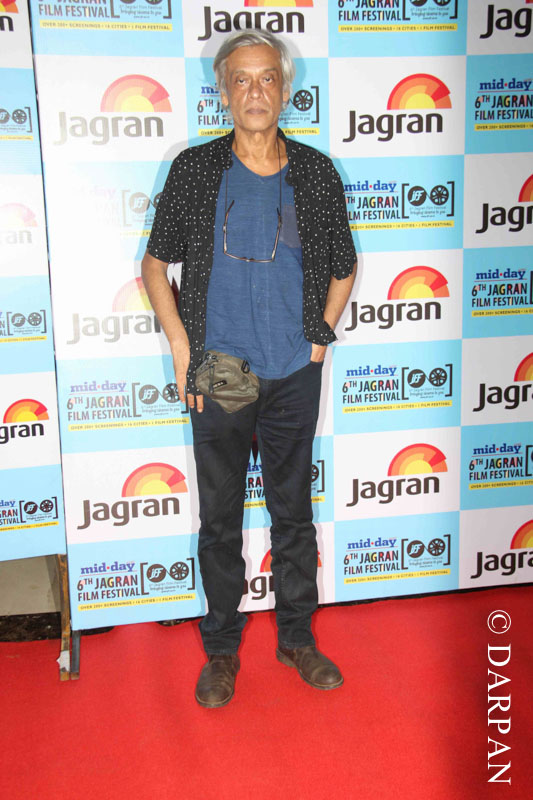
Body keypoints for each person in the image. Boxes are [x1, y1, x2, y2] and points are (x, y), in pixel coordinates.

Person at [141, 29, 357, 708]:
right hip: (222, 369)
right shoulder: (196, 169)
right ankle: (221, 651)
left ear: (285, 90)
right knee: (220, 519)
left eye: (267, 78)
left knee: (293, 513)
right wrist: (183, 349)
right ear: (223, 92)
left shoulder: (315, 172)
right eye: (241, 79)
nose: (255, 91)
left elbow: (343, 265)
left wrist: (319, 338)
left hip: (294, 367)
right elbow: (154, 267)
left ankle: (297, 638)